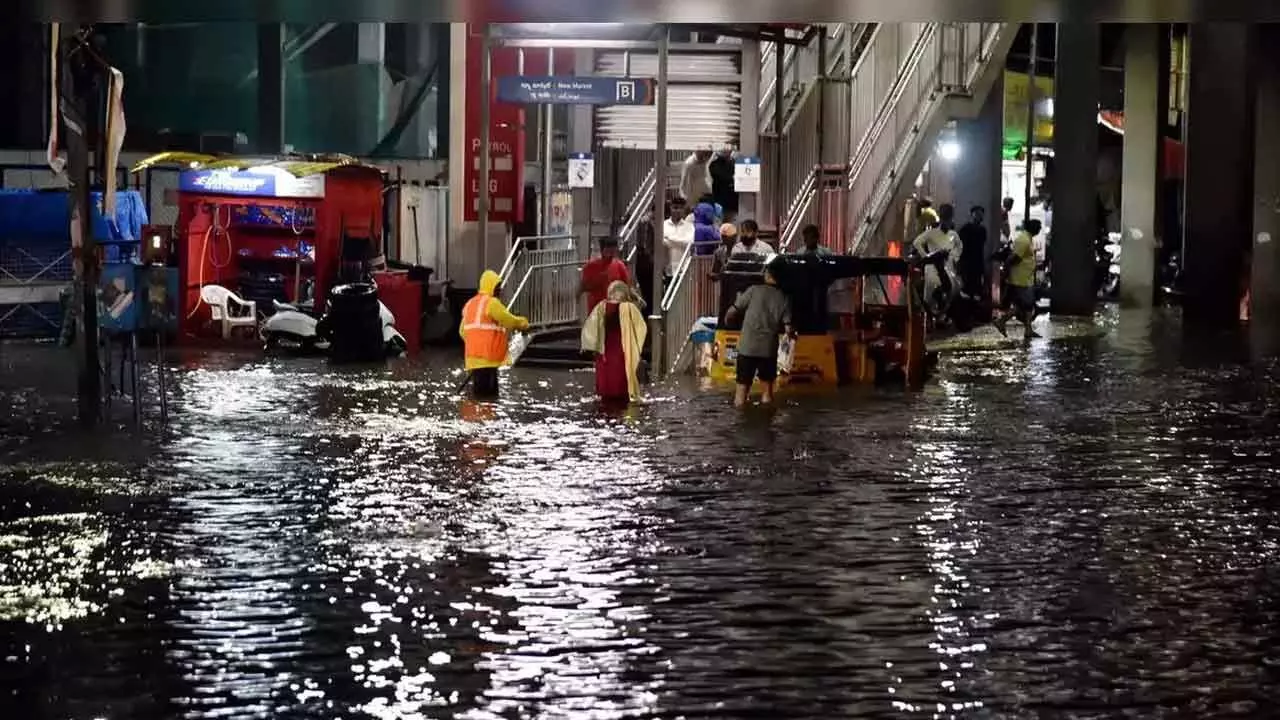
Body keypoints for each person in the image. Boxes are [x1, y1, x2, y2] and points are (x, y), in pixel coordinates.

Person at [726, 260, 794, 408]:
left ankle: (741, 423)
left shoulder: (753, 290)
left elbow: (733, 311)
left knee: (741, 393)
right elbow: (789, 328)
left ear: (768, 274)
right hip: (768, 349)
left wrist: (728, 321)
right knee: (767, 393)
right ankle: (766, 424)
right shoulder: (783, 298)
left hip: (747, 348)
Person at [460, 270, 530, 398]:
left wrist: (476, 344)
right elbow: (508, 320)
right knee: (489, 399)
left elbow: (462, 332)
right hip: (487, 360)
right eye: (498, 287)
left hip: (473, 361)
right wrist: (524, 323)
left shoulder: (469, 304)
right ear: (491, 286)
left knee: (479, 398)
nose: (499, 291)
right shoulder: (492, 303)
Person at [581, 280, 648, 403]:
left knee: (606, 379)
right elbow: (641, 326)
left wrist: (589, 346)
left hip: (605, 349)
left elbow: (591, 326)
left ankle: (606, 393)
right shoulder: (629, 308)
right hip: (622, 348)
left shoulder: (601, 306)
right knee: (622, 376)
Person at [995, 218, 1041, 340]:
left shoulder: (1028, 239)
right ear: (1032, 227)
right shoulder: (1024, 240)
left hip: (1024, 278)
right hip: (1020, 279)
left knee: (1025, 306)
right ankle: (1002, 321)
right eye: (1038, 227)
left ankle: (1027, 330)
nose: (1040, 229)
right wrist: (1006, 272)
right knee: (1027, 305)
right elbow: (1014, 258)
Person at [580, 236, 633, 311]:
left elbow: (627, 285)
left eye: (613, 251)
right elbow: (584, 286)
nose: (611, 254)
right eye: (608, 250)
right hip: (597, 308)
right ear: (602, 250)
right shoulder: (590, 266)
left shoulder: (619, 265)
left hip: (615, 308)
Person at [957, 205, 988, 299]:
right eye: (977, 214)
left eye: (981, 214)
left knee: (977, 287)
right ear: (972, 215)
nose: (979, 216)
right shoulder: (965, 229)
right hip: (967, 262)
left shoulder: (983, 230)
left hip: (978, 262)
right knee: (967, 286)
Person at [662, 197, 694, 278]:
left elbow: (689, 243)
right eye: (675, 208)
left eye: (681, 208)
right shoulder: (663, 225)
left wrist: (669, 238)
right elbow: (662, 242)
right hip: (667, 269)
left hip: (684, 268)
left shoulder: (689, 226)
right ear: (670, 208)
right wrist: (680, 242)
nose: (678, 211)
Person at [709, 145, 738, 218]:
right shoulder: (714, 164)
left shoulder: (734, 162)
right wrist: (734, 178)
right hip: (720, 202)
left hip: (733, 203)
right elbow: (723, 177)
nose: (725, 150)